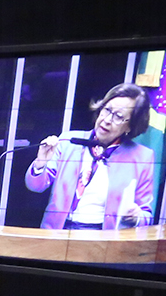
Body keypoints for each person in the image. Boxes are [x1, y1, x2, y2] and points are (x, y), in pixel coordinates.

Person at [25, 83, 158, 230]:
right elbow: (35, 186)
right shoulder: (69, 141)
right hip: (57, 232)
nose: (107, 120)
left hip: (102, 237)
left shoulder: (142, 157)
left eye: (118, 117)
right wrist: (41, 162)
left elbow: (146, 217)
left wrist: (136, 216)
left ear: (130, 126)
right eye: (107, 110)